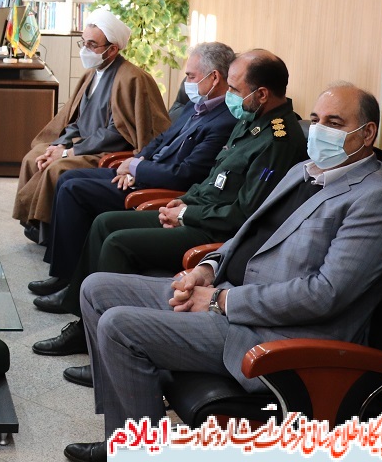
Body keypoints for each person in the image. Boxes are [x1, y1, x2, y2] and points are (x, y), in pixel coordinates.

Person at [64, 83, 382, 462]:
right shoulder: (304, 171)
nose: (320, 130)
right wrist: (207, 269)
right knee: (96, 289)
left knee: (119, 327)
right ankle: (125, 437)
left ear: (367, 133)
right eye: (315, 120)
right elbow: (248, 234)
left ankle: (139, 453)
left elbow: (324, 295)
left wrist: (220, 300)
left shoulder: (376, 200)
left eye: (334, 122)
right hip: (228, 294)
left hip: (274, 335)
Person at [34, 50, 307, 361]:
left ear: (262, 94)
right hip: (198, 213)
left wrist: (186, 213)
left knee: (118, 242)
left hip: (215, 232)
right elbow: (214, 178)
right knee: (104, 222)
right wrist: (184, 200)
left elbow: (245, 214)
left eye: (234, 88)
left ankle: (102, 343)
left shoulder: (279, 140)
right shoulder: (251, 120)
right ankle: (81, 317)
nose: (229, 94)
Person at [29, 42, 236, 304]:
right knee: (67, 178)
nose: (187, 83)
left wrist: (139, 170)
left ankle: (71, 283)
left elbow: (184, 174)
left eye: (191, 76)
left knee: (74, 189)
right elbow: (160, 140)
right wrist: (134, 162)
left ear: (214, 77)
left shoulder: (224, 120)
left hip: (158, 187)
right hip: (141, 174)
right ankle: (63, 274)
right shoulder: (195, 107)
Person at [12, 9, 170, 239]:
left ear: (112, 49)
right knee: (34, 156)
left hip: (106, 152)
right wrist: (58, 145)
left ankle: (51, 233)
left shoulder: (131, 78)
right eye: (83, 42)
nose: (85, 49)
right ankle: (34, 224)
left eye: (92, 45)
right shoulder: (92, 74)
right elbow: (76, 120)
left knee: (56, 169)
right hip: (82, 144)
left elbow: (117, 132)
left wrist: (67, 153)